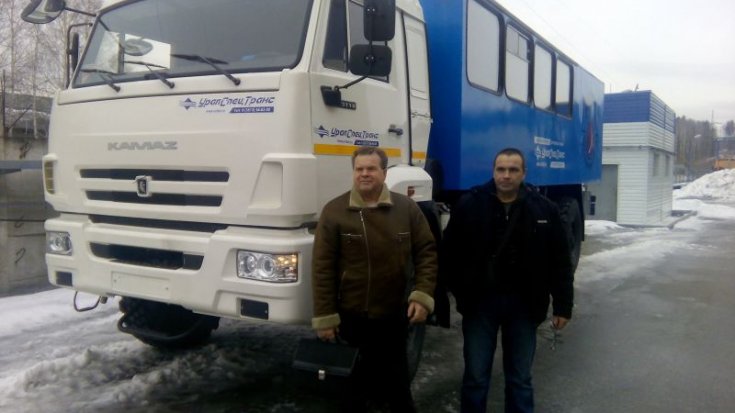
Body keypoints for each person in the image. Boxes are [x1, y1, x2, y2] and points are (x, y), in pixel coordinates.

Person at [441, 147, 574, 413]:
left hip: (525, 306)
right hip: (480, 306)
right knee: (475, 378)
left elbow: (560, 262)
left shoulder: (543, 209)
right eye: (501, 169)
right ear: (493, 172)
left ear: (524, 173)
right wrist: (459, 292)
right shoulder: (470, 205)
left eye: (513, 170)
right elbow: (449, 254)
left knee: (520, 380)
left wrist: (563, 306)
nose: (506, 175)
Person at [311, 146, 438, 413]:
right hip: (352, 319)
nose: (364, 174)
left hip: (394, 318)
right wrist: (325, 317)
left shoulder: (406, 209)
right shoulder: (334, 211)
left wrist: (422, 295)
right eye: (359, 169)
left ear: (384, 172)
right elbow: (322, 269)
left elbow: (427, 252)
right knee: (354, 395)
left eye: (371, 168)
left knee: (398, 394)